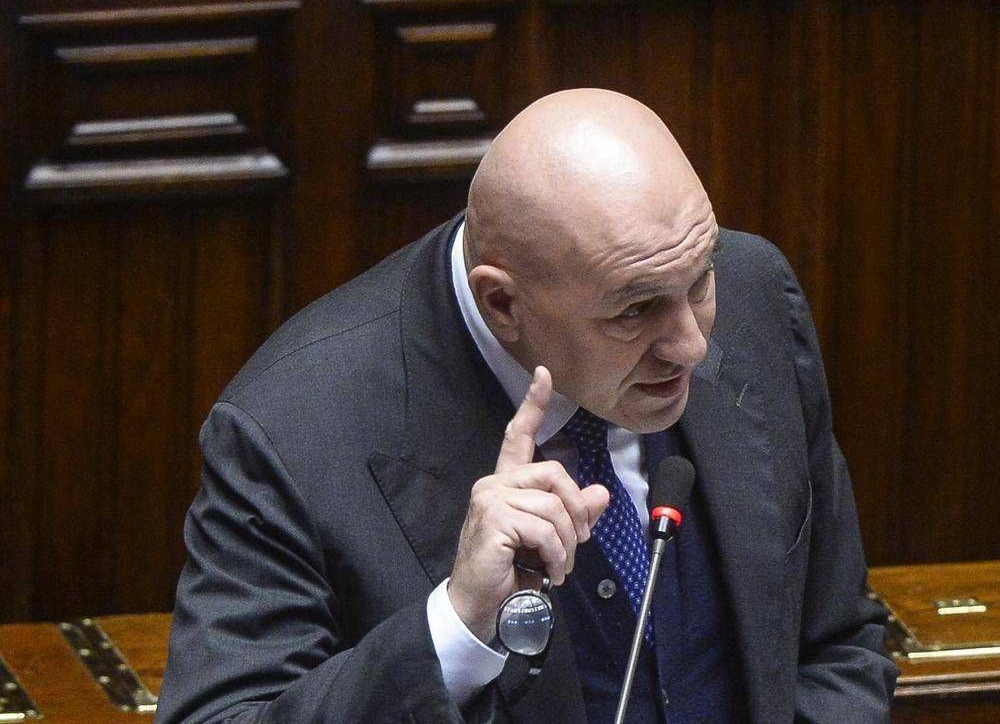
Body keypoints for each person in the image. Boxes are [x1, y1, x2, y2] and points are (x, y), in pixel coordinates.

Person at [157, 89, 898, 723]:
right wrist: (455, 625)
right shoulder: (293, 428)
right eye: (634, 311)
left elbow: (835, 644)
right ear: (503, 304)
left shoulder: (756, 295)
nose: (692, 344)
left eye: (700, 279)